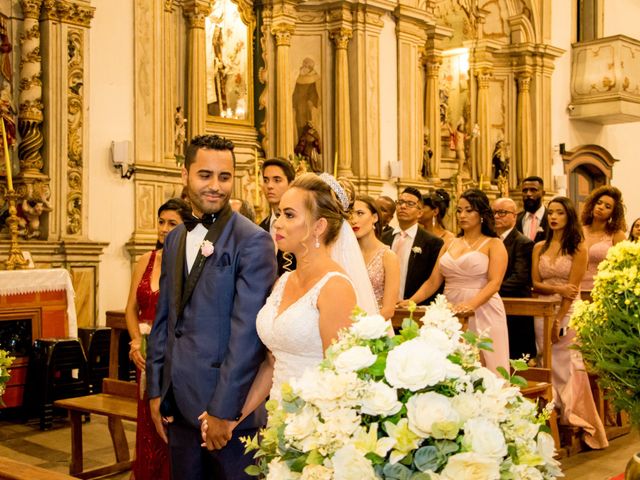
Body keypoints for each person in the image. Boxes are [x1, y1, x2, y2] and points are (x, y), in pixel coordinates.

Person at [146, 134, 277, 480]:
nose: (215, 186)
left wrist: (223, 412)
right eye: (205, 175)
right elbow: (165, 321)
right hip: (178, 407)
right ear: (185, 174)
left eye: (225, 177)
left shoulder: (253, 241)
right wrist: (156, 391)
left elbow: (248, 335)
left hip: (228, 417)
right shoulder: (174, 239)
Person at [202, 173, 378, 429]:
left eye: (289, 215)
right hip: (278, 418)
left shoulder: (334, 287)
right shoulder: (283, 282)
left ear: (318, 226)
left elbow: (340, 378)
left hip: (317, 426)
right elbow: (272, 364)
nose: (278, 223)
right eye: (280, 214)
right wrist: (232, 419)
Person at [399, 189, 510, 373]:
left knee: (485, 366)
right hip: (450, 307)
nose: (462, 215)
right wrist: (412, 301)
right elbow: (432, 282)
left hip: (482, 308)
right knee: (451, 364)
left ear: (481, 213)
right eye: (459, 210)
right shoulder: (449, 243)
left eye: (469, 210)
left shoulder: (493, 244)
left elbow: (494, 283)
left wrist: (470, 305)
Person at [531, 196, 608, 449]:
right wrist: (554, 289)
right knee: (545, 361)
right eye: (551, 213)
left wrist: (559, 319)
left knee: (567, 364)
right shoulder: (539, 247)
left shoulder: (578, 247)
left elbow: (573, 290)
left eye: (559, 213)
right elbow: (534, 283)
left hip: (567, 311)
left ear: (569, 217)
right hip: (542, 308)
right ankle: (550, 412)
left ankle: (572, 416)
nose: (553, 217)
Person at [125, 198, 189, 480]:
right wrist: (136, 340)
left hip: (173, 356)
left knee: (167, 423)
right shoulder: (145, 260)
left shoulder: (188, 265)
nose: (164, 229)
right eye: (161, 222)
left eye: (172, 223)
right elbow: (130, 308)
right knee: (146, 426)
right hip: (145, 355)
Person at [382, 187, 443, 305]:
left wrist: (412, 302)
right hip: (383, 305)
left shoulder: (432, 243)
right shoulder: (383, 238)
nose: (403, 207)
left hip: (415, 308)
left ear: (420, 212)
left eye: (410, 204)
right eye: (400, 202)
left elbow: (434, 281)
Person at [492, 197, 536, 360]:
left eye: (502, 212)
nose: (497, 216)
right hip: (495, 304)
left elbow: (520, 277)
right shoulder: (490, 240)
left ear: (514, 216)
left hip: (515, 307)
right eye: (494, 213)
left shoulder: (522, 242)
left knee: (515, 356)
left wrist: (491, 289)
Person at [350, 195, 400, 319]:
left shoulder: (388, 257)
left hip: (376, 330)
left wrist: (363, 329)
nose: (353, 220)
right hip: (346, 327)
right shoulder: (347, 254)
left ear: (374, 217)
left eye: (360, 213)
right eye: (350, 214)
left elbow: (388, 310)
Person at [579, 185, 627, 293]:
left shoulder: (617, 235)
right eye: (599, 203)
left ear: (613, 213)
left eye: (607, 206)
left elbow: (623, 268)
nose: (601, 207)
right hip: (576, 290)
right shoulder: (578, 231)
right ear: (592, 204)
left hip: (603, 292)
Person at [259, 157, 296, 275]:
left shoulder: (299, 225)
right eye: (266, 180)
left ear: (291, 184)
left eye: (277, 180)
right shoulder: (260, 227)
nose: (269, 186)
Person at [517, 176, 548, 242]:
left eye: (533, 190)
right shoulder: (517, 219)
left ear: (543, 193)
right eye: (525, 191)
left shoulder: (550, 217)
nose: (528, 194)